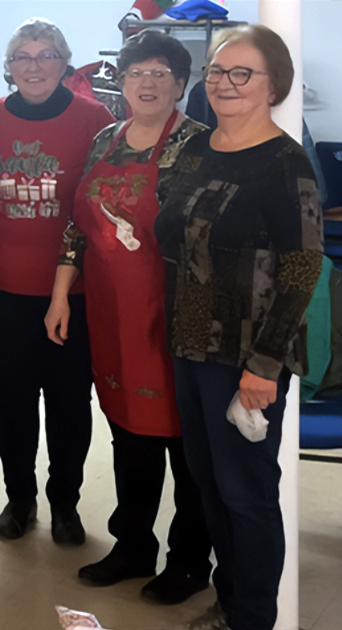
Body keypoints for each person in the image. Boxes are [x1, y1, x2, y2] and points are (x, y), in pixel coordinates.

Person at [154, 25, 322, 630]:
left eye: (242, 73)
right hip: (190, 343)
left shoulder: (286, 163)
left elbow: (301, 270)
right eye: (218, 71)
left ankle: (251, 616)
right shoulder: (195, 147)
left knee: (246, 493)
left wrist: (265, 366)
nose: (225, 83)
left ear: (274, 84)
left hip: (248, 355)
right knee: (208, 482)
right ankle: (230, 601)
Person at [43, 30, 212, 605]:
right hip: (112, 312)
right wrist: (61, 293)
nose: (147, 82)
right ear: (122, 81)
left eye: (160, 73)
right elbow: (77, 225)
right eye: (137, 72)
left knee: (186, 443)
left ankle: (189, 560)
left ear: (181, 84)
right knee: (128, 432)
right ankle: (134, 544)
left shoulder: (201, 145)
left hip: (177, 315)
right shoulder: (104, 140)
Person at [0, 17, 115, 545]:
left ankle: (65, 503)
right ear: (8, 67)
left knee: (70, 399)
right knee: (12, 397)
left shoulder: (95, 119)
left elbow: (103, 203)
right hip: (0, 285)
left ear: (64, 64)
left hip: (74, 291)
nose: (34, 66)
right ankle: (19, 499)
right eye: (22, 57)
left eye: (46, 55)